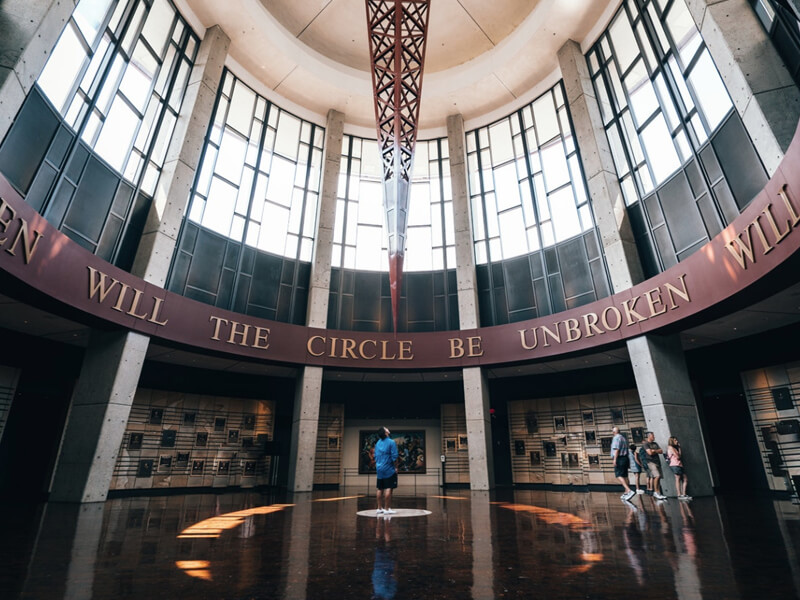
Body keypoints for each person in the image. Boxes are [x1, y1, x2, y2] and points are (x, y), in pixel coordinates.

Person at [374, 426, 399, 515]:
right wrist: (396, 467)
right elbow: (395, 457)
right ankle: (387, 509)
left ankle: (379, 508)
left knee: (380, 488)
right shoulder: (391, 442)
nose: (387, 429)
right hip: (389, 468)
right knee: (389, 488)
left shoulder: (377, 443)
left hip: (379, 468)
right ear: (386, 433)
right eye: (386, 429)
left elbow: (375, 456)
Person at [611, 426, 635, 501]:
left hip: (619, 458)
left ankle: (629, 490)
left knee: (618, 475)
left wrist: (615, 459)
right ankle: (626, 492)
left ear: (614, 432)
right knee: (625, 475)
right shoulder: (623, 438)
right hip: (625, 458)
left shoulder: (616, 438)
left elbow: (617, 449)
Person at [644, 432, 667, 500]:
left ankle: (658, 492)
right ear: (649, 436)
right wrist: (655, 451)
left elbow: (661, 451)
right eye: (653, 436)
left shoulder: (655, 443)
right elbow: (650, 453)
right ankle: (656, 492)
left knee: (659, 478)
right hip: (651, 462)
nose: (654, 437)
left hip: (657, 461)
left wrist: (654, 450)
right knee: (657, 476)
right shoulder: (646, 444)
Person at [667, 436, 691, 500]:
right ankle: (679, 494)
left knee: (684, 479)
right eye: (675, 440)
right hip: (675, 464)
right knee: (678, 478)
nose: (677, 441)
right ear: (672, 441)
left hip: (679, 464)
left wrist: (679, 448)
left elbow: (679, 455)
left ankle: (683, 494)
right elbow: (678, 456)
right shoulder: (670, 447)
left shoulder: (675, 448)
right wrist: (678, 451)